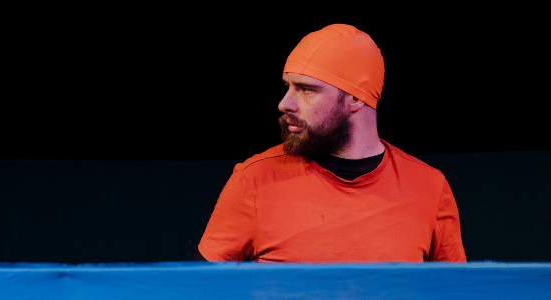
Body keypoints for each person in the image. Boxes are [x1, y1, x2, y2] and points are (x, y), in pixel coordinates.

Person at [196, 24, 466, 262]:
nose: (284, 103)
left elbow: (457, 294)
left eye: (306, 89)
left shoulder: (429, 187)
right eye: (288, 86)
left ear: (356, 99)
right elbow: (196, 291)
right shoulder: (254, 179)